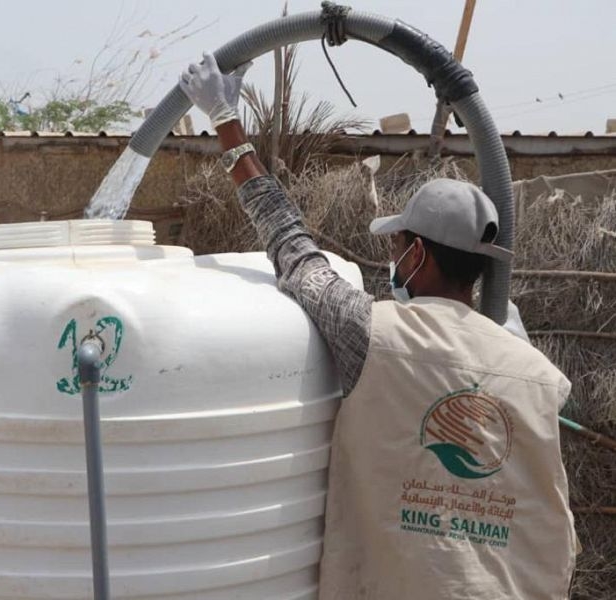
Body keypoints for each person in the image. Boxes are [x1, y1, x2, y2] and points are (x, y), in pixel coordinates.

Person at [180, 53, 577, 600]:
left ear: (418, 255)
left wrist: (226, 121)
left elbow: (291, 246)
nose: (392, 257)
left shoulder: (370, 333)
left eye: (397, 245)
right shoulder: (538, 373)